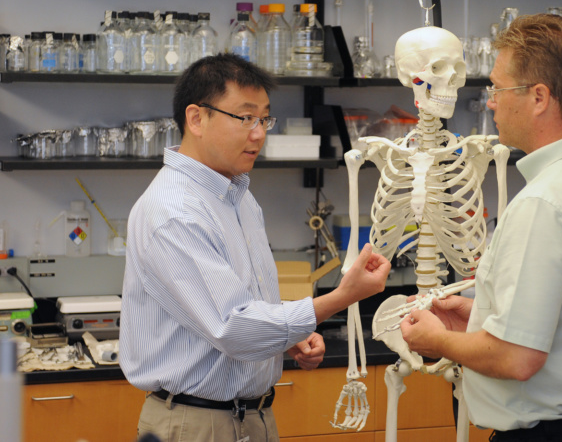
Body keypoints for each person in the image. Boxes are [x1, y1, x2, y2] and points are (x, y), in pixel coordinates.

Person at [120, 53, 391, 442]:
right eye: (245, 118)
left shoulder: (238, 196)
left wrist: (285, 337)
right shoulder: (174, 211)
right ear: (196, 118)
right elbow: (233, 327)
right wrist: (339, 298)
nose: (259, 133)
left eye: (264, 119)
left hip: (253, 417)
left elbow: (242, 305)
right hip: (194, 424)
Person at [400, 14, 562, 441]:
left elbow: (517, 358)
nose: (490, 101)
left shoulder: (543, 203)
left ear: (539, 97)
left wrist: (438, 342)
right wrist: (479, 321)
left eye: (498, 88)